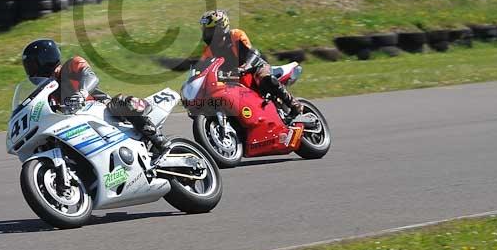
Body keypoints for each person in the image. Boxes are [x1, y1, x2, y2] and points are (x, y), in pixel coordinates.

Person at [21, 39, 169, 152]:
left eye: (33, 65)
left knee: (120, 103)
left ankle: (158, 140)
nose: (31, 71)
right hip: (76, 124)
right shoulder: (47, 92)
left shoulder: (71, 65)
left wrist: (82, 93)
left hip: (100, 108)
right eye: (29, 67)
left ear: (45, 60)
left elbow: (91, 77)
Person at [199, 10, 303, 119]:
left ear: (221, 28)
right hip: (233, 77)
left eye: (211, 30)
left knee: (264, 77)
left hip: (254, 67)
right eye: (205, 30)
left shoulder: (236, 35)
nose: (207, 34)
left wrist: (244, 68)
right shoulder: (208, 50)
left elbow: (253, 53)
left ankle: (294, 104)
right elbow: (202, 68)